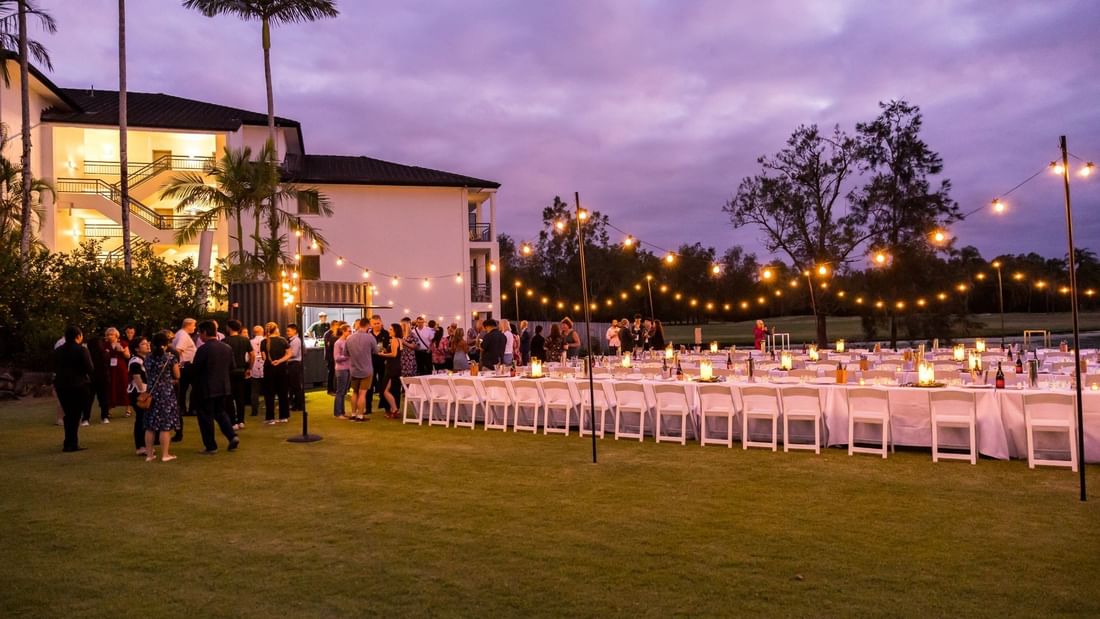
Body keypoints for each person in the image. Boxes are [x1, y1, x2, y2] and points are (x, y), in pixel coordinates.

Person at [191, 320, 239, 454]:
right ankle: (232, 436)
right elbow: (232, 367)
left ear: (205, 332)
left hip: (206, 388)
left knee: (206, 417)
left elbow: (196, 369)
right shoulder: (226, 348)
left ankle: (211, 445)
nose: (199, 336)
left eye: (200, 333)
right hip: (223, 386)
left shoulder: (203, 349)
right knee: (221, 413)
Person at [53, 326, 93, 452]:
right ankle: (72, 443)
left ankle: (68, 441)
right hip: (78, 385)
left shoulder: (58, 350)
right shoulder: (82, 350)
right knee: (75, 415)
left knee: (68, 413)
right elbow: (89, 368)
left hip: (61, 385)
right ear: (78, 336)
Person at [143, 331, 181, 462]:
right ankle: (165, 454)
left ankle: (149, 454)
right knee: (165, 425)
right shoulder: (170, 358)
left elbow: (148, 373)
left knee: (150, 425)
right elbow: (177, 375)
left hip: (151, 392)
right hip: (166, 393)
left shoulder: (148, 358)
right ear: (166, 344)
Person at [345, 317, 378, 422]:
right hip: (366, 369)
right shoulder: (370, 338)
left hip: (354, 369)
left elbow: (345, 353)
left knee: (355, 392)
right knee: (362, 393)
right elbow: (376, 351)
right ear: (368, 325)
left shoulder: (349, 338)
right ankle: (360, 415)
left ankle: (353, 414)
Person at [260, 322, 292, 425]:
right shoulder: (283, 340)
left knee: (269, 394)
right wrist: (280, 361)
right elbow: (289, 354)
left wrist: (272, 361)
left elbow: (264, 357)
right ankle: (283, 416)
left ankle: (270, 418)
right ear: (276, 329)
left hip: (269, 369)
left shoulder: (264, 342)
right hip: (281, 369)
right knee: (283, 392)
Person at [224, 320, 252, 430]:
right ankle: (241, 420)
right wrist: (249, 367)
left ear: (229, 328)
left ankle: (233, 421)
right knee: (240, 397)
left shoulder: (225, 341)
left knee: (229, 397)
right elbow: (252, 354)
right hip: (241, 370)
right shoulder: (245, 340)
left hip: (229, 371)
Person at [127, 336, 150, 455]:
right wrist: (143, 393)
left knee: (144, 418)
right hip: (138, 392)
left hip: (143, 391)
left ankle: (145, 444)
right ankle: (140, 446)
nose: (147, 345)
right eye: (143, 344)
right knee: (141, 418)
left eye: (147, 343)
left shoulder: (144, 358)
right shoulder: (135, 360)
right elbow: (136, 377)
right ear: (136, 348)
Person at [172, 318, 198, 418]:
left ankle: (183, 408)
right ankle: (190, 409)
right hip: (186, 365)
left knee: (183, 388)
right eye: (194, 325)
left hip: (184, 365)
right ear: (188, 325)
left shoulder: (180, 334)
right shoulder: (183, 335)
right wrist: (179, 364)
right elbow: (178, 349)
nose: (194, 328)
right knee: (192, 387)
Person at [85, 332, 111, 425]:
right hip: (103, 378)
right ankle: (105, 417)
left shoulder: (87, 354)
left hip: (91, 378)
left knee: (88, 399)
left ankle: (86, 419)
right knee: (104, 398)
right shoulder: (105, 353)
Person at [368, 316, 391, 413]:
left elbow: (390, 347)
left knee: (384, 384)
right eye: (375, 323)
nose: (377, 325)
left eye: (378, 323)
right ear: (371, 325)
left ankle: (386, 407)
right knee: (369, 385)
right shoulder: (368, 334)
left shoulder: (386, 333)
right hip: (371, 362)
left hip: (383, 361)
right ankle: (367, 408)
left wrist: (386, 350)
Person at [381, 323, 403, 417]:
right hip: (397, 366)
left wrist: (382, 355)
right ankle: (394, 408)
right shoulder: (400, 340)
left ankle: (394, 409)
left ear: (395, 331)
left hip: (392, 368)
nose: (389, 331)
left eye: (391, 329)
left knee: (385, 390)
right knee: (394, 389)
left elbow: (394, 354)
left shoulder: (394, 340)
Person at [332, 323, 352, 418]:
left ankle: (342, 412)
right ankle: (338, 413)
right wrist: (347, 356)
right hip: (341, 369)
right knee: (340, 392)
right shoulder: (338, 343)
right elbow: (336, 358)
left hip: (348, 368)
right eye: (349, 331)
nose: (351, 333)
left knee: (344, 392)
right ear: (343, 332)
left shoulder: (347, 342)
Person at [285, 323, 305, 412]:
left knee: (296, 386)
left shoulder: (296, 341)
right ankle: (296, 405)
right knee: (293, 386)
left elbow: (294, 354)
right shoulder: (291, 340)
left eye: (289, 331)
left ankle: (299, 405)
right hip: (292, 364)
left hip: (295, 364)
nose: (287, 333)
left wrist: (284, 356)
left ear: (294, 331)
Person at [248, 325, 265, 418]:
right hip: (264, 366)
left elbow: (248, 356)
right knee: (268, 389)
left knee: (254, 391)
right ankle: (268, 408)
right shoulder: (266, 340)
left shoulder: (250, 342)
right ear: (262, 331)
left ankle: (254, 411)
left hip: (254, 366)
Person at [323, 319, 340, 394]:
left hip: (336, 356)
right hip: (330, 357)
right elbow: (328, 346)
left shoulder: (336, 333)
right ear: (332, 326)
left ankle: (336, 388)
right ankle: (330, 389)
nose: (338, 327)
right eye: (337, 325)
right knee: (331, 373)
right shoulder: (328, 334)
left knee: (335, 374)